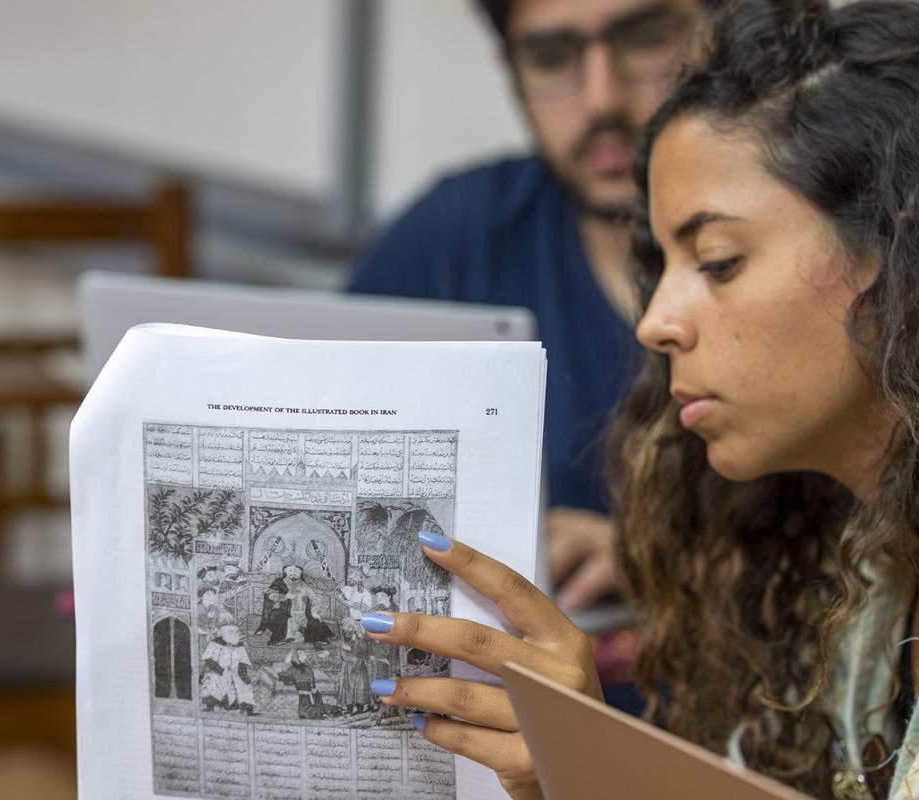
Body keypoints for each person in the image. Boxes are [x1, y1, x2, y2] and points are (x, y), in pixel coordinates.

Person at [360, 1, 919, 797]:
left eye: (719, 261)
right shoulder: (861, 579)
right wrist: (577, 763)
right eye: (661, 268)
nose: (655, 325)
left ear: (898, 256)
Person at [349, 0, 716, 612]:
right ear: (512, 70)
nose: (601, 99)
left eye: (646, 38)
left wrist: (664, 564)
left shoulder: (813, 231)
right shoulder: (457, 236)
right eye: (551, 58)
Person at [255, 565, 334, 646]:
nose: (293, 573)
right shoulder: (280, 582)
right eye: (290, 571)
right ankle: (279, 639)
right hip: (284, 613)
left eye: (296, 571)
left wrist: (314, 611)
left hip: (302, 615)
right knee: (280, 620)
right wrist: (284, 597)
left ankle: (316, 637)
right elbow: (270, 595)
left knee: (315, 622)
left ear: (300, 574)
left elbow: (314, 598)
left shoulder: (304, 585)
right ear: (286, 573)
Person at [199, 625, 257, 716]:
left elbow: (242, 663)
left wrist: (244, 676)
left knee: (244, 684)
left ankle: (248, 710)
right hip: (219, 672)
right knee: (211, 680)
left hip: (235, 673)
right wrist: (220, 670)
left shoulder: (240, 647)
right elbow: (209, 660)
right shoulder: (215, 644)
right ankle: (210, 706)